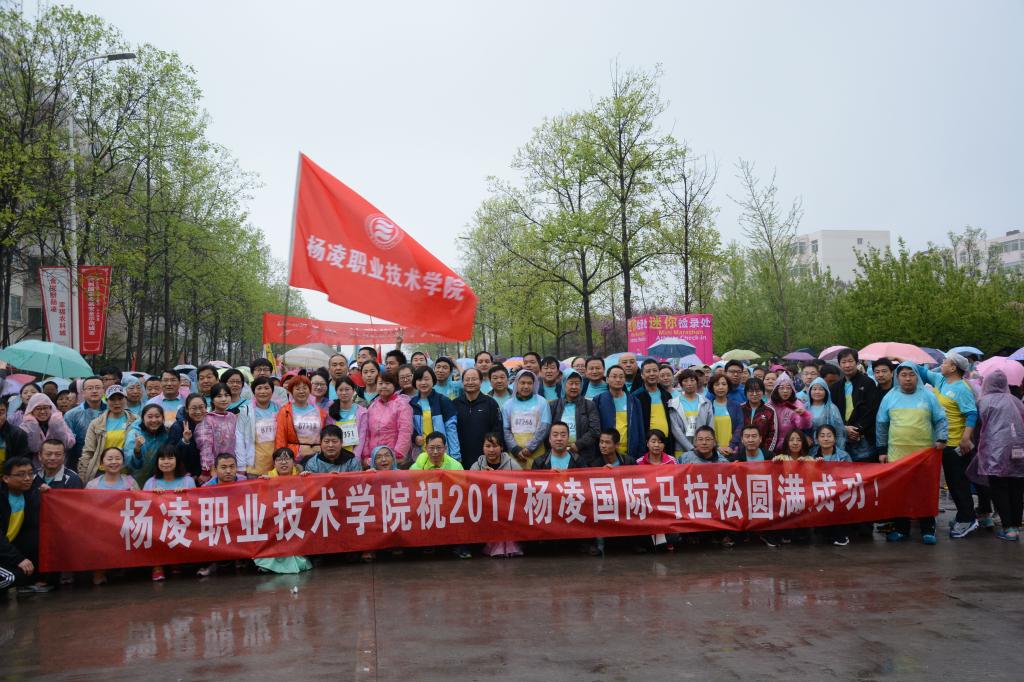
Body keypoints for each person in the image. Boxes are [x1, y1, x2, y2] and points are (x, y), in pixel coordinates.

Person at [876, 361, 948, 544]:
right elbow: (881, 425)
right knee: (900, 492)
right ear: (897, 377)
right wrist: (882, 450)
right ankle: (901, 529)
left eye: (911, 374)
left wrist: (941, 438)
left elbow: (940, 419)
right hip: (897, 454)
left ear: (917, 376)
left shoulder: (929, 396)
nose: (907, 379)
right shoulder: (890, 397)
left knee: (924, 491)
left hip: (924, 454)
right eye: (903, 375)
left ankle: (928, 529)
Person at [918, 352, 981, 538]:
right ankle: (963, 515)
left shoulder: (962, 388)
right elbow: (922, 372)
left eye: (945, 362)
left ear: (953, 368)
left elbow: (971, 413)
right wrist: (898, 356)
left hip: (956, 443)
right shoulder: (941, 380)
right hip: (943, 441)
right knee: (952, 483)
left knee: (958, 483)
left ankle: (968, 520)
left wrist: (966, 438)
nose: (942, 364)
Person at [971, 370, 1024, 541]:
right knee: (1016, 487)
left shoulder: (983, 402)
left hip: (996, 451)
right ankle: (1015, 526)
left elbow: (978, 427)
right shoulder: (1016, 401)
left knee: (999, 488)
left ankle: (1008, 528)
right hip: (1019, 449)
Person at [254, 448, 313, 575]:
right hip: (275, 520)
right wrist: (263, 484)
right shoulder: (267, 478)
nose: (283, 462)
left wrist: (308, 479)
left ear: (293, 462)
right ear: (274, 463)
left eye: (287, 459)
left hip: (296, 519)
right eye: (279, 460)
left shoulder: (301, 476)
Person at [78, 386, 139, 482]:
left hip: (128, 473)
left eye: (120, 398)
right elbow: (88, 452)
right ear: (106, 401)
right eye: (112, 399)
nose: (117, 402)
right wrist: (82, 477)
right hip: (101, 473)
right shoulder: (96, 424)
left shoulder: (136, 420)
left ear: (126, 399)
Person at [830, 349, 879, 463]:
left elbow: (872, 410)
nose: (847, 365)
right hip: (842, 437)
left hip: (863, 438)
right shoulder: (836, 387)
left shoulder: (868, 383)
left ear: (857, 362)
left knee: (864, 470)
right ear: (839, 364)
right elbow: (833, 411)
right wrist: (844, 429)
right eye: (843, 362)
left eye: (850, 361)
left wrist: (857, 430)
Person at [1, 457, 42, 593]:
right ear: (6, 478)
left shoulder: (29, 495)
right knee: (10, 577)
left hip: (6, 554)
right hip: (5, 551)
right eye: (21, 474)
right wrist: (18, 559)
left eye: (30, 473)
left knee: (25, 575)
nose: (27, 478)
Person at [634, 359, 687, 457]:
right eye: (648, 371)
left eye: (655, 370)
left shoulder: (666, 395)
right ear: (642, 375)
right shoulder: (636, 397)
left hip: (666, 443)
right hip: (647, 445)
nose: (652, 374)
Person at [549, 370, 601, 466]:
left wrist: (578, 445)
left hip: (583, 454)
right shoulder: (554, 405)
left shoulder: (589, 405)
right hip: (558, 453)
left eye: (577, 384)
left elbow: (595, 430)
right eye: (571, 383)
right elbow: (549, 429)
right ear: (564, 384)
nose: (574, 387)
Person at [593, 365, 644, 463]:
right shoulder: (598, 400)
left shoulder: (634, 401)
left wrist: (640, 452)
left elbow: (640, 428)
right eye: (614, 376)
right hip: (606, 454)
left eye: (621, 377)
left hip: (630, 453)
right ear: (607, 379)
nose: (618, 379)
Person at [410, 366, 461, 462]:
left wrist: (455, 457)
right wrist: (414, 437)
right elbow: (409, 428)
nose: (423, 383)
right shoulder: (412, 403)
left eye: (426, 379)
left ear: (433, 380)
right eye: (419, 380)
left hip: (442, 455)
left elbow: (451, 430)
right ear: (415, 382)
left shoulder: (443, 401)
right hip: (421, 456)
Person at [502, 370, 551, 469]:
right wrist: (516, 449)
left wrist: (530, 448)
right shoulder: (508, 404)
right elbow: (505, 430)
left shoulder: (542, 402)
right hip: (514, 454)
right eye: (522, 383)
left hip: (537, 453)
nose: (526, 386)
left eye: (529, 383)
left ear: (534, 385)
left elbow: (544, 428)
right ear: (516, 384)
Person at [454, 368, 502, 467]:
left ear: (480, 381)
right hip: (460, 458)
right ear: (462, 382)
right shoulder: (455, 404)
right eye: (467, 379)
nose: (470, 382)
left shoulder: (490, 403)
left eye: (474, 379)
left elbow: (497, 431)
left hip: (485, 459)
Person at [365, 372, 414, 468]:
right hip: (375, 457)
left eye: (387, 383)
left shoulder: (401, 404)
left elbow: (405, 431)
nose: (383, 386)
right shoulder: (373, 406)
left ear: (394, 385)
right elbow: (367, 432)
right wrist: (366, 455)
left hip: (394, 457)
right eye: (380, 383)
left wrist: (398, 454)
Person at [190, 383, 236, 484]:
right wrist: (206, 471)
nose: (224, 399)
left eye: (226, 395)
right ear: (212, 399)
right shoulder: (207, 419)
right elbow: (205, 447)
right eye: (219, 396)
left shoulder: (232, 417)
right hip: (213, 469)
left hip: (231, 467)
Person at [275, 375, 327, 460]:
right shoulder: (285, 411)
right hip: (295, 457)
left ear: (309, 390)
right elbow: (281, 438)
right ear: (291, 391)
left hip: (317, 456)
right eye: (297, 389)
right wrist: (283, 458)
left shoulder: (320, 412)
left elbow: (324, 435)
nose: (301, 391)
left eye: (305, 388)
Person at [63, 376, 105, 472]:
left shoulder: (111, 411)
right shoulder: (71, 415)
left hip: (108, 461)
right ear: (83, 392)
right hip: (80, 462)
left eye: (98, 387)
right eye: (90, 388)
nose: (94, 391)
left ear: (103, 391)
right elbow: (68, 443)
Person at [125, 404, 170, 486]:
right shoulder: (134, 434)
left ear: (163, 418)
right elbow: (131, 464)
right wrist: (137, 450)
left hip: (158, 481)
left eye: (157, 416)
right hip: (135, 481)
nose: (154, 420)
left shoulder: (165, 434)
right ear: (143, 419)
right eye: (150, 417)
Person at [327, 376, 368, 467]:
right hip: (334, 457)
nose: (344, 393)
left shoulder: (362, 412)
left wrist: (355, 458)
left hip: (354, 458)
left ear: (353, 391)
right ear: (336, 391)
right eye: (340, 390)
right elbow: (329, 436)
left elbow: (362, 437)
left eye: (347, 389)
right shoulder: (330, 411)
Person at [19, 393, 75, 459]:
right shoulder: (25, 425)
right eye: (38, 409)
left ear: (50, 408)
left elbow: (68, 445)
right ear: (32, 410)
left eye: (45, 408)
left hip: (58, 462)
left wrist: (56, 426)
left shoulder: (59, 422)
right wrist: (33, 426)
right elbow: (33, 448)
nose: (42, 412)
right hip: (34, 464)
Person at [669, 369, 714, 448]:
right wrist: (691, 448)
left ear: (697, 382)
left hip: (703, 447)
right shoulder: (673, 403)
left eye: (692, 380)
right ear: (680, 384)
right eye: (685, 381)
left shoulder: (706, 402)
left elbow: (710, 425)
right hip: (681, 448)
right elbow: (675, 429)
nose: (689, 384)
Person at [768, 373, 811, 454]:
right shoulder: (770, 404)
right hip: (771, 444)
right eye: (781, 388)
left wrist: (804, 415)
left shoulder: (796, 404)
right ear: (776, 389)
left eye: (788, 388)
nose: (785, 391)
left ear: (792, 390)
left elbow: (802, 425)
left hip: (791, 445)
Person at [734, 378, 778, 454]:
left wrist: (766, 453)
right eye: (751, 391)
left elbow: (773, 434)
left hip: (763, 453)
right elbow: (734, 430)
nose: (754, 394)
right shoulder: (740, 408)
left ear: (763, 392)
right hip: (741, 453)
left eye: (758, 391)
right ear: (746, 392)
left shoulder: (770, 410)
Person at [804, 377, 847, 451]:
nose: (817, 392)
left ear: (826, 391)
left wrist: (839, 450)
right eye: (814, 389)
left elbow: (839, 432)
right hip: (808, 447)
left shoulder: (832, 408)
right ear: (810, 391)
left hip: (829, 447)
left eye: (821, 389)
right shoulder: (804, 407)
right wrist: (804, 436)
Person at [707, 374, 743, 457]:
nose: (721, 387)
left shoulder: (736, 406)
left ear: (728, 387)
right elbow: (706, 429)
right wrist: (716, 447)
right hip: (712, 450)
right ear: (712, 387)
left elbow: (740, 426)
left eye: (724, 384)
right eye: (717, 384)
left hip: (732, 450)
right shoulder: (708, 406)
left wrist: (731, 446)